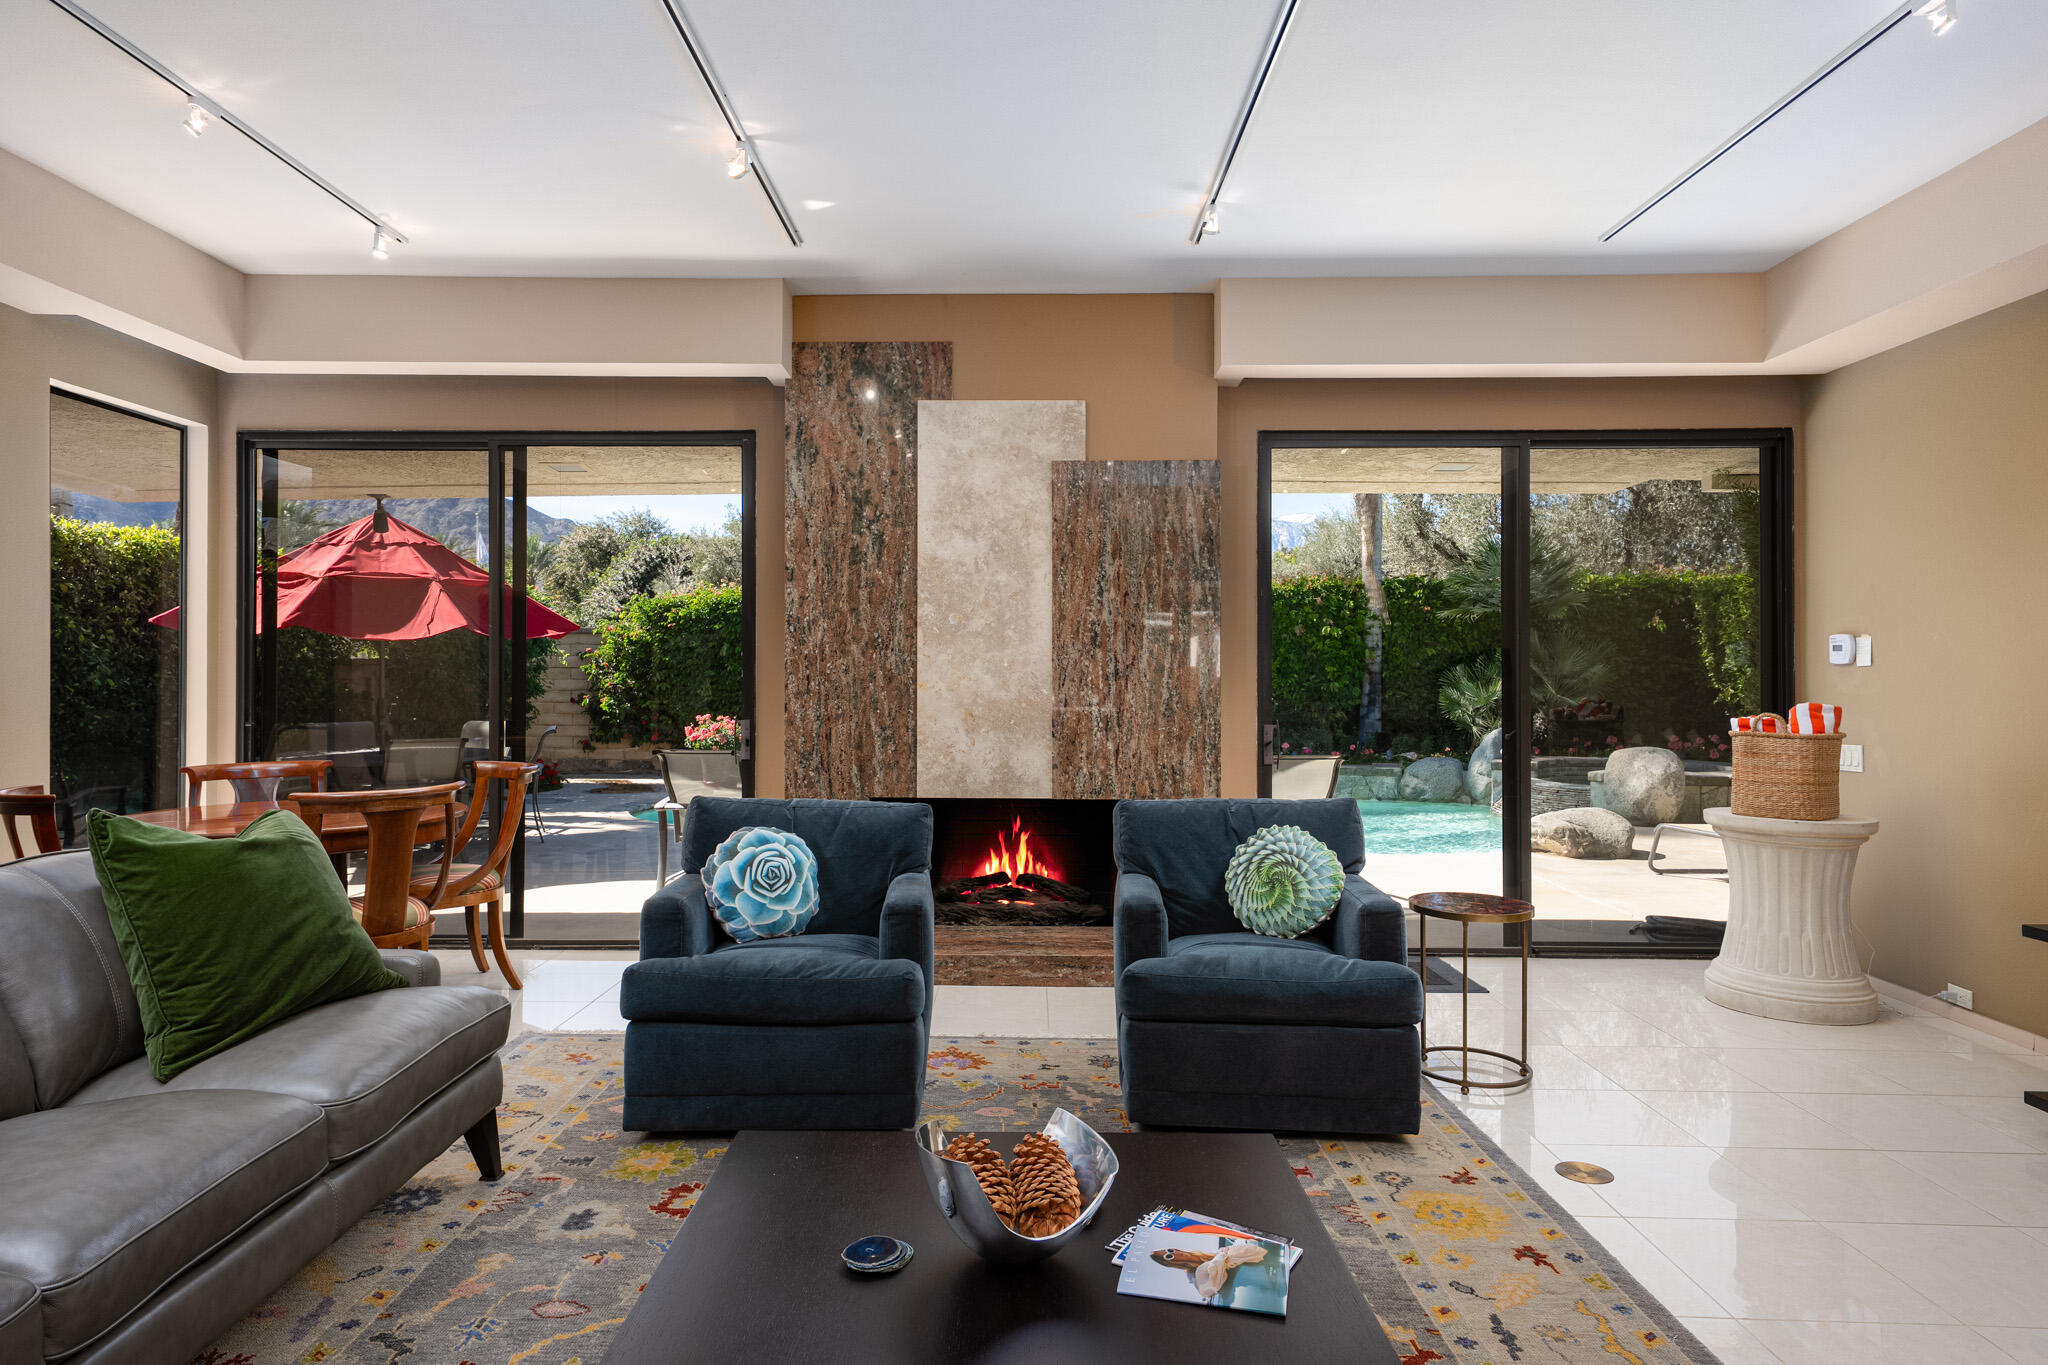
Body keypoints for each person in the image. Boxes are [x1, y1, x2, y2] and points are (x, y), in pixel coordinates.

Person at [1150, 1240, 1269, 1303]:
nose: (1175, 1253)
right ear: (1171, 1262)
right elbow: (1207, 1289)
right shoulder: (1191, 1274)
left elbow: (1223, 1253)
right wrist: (1223, 1256)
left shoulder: (1203, 1254)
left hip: (1258, 1266)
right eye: (1169, 1256)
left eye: (1170, 1250)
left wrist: (1222, 1255)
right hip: (1255, 1281)